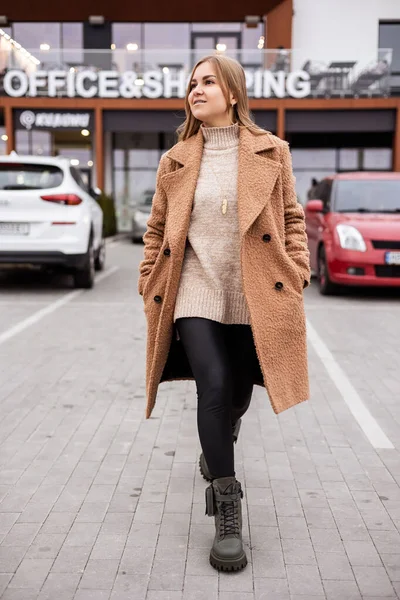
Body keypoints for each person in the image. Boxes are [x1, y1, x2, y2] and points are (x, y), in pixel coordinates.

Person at [138, 54, 310, 572]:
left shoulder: (271, 151)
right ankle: (227, 512)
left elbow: (291, 218)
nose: (196, 89)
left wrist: (297, 269)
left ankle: (220, 438)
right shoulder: (176, 158)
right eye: (192, 83)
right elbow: (156, 229)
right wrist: (149, 278)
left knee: (236, 395)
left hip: (253, 291)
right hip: (193, 288)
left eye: (208, 81)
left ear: (232, 93)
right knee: (212, 387)